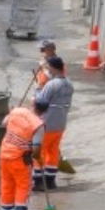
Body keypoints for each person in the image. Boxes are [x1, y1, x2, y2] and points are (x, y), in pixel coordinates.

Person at [0, 95, 47, 210]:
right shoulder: (38, 125)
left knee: (6, 183)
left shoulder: (17, 111)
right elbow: (36, 149)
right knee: (23, 185)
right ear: (44, 111)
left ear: (33, 105)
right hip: (19, 157)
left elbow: (3, 123)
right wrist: (38, 158)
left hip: (4, 153)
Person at [36, 55, 74, 190]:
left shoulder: (51, 84)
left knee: (39, 150)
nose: (48, 70)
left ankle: (39, 181)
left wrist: (38, 88)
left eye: (48, 67)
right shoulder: (69, 84)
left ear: (52, 68)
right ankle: (51, 180)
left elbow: (40, 102)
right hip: (61, 122)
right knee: (53, 151)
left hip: (48, 122)